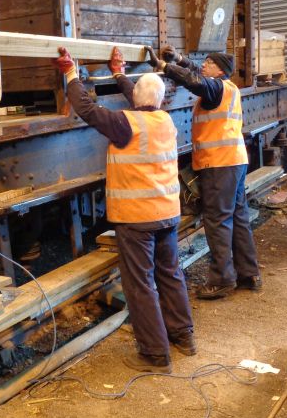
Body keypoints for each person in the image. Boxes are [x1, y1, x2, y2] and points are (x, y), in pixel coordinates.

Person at [52, 46, 195, 372]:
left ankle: (155, 355)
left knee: (140, 284)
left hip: (136, 219)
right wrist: (118, 73)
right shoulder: (164, 120)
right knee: (170, 275)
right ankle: (184, 337)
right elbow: (142, 99)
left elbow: (86, 108)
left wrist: (70, 72)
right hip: (167, 214)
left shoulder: (123, 124)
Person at [147, 46, 261, 300]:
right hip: (234, 162)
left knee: (217, 220)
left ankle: (221, 280)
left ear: (219, 70)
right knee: (238, 217)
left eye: (209, 63)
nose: (204, 65)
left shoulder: (214, 89)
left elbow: (194, 80)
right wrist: (178, 59)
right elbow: (197, 72)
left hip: (219, 164)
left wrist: (165, 67)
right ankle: (248, 273)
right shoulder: (227, 88)